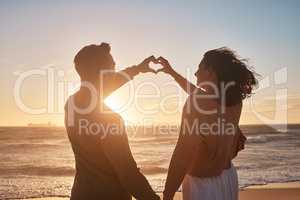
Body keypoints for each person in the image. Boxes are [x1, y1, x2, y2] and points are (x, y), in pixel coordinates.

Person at [157, 48, 257, 200]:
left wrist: (167, 195)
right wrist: (172, 72)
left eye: (199, 68)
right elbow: (197, 93)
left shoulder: (196, 102)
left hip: (202, 186)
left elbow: (182, 155)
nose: (196, 73)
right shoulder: (235, 101)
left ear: (210, 71)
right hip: (228, 178)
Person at [64, 43, 160, 200]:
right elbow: (128, 174)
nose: (116, 67)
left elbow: (101, 87)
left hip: (80, 194)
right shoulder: (110, 120)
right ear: (102, 72)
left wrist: (137, 69)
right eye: (112, 64)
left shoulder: (71, 104)